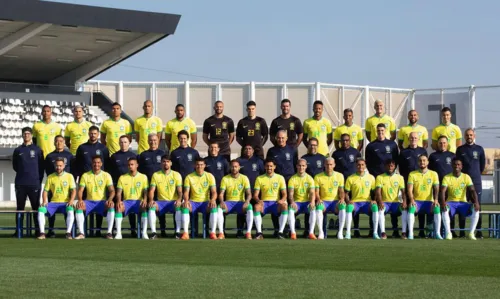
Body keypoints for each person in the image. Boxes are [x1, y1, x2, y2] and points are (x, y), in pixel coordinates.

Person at [12, 127, 44, 237]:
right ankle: (18, 230)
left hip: (34, 183)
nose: (26, 135)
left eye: (28, 134)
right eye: (24, 134)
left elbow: (41, 167)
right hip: (20, 183)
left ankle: (38, 230)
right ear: (22, 135)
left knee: (36, 208)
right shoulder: (18, 150)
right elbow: (15, 166)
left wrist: (37, 179)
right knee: (19, 208)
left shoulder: (38, 150)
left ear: (31, 135)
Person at [74, 156, 115, 240]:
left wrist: (110, 199)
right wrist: (80, 200)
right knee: (79, 206)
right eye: (94, 162)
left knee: (111, 205)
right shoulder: (85, 175)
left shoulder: (106, 175)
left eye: (98, 162)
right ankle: (81, 233)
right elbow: (80, 190)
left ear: (101, 164)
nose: (96, 164)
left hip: (101, 202)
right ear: (91, 163)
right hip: (89, 202)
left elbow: (112, 191)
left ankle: (109, 233)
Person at [440, 158, 481, 241]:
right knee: (444, 209)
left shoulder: (466, 177)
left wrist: (476, 202)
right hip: (451, 203)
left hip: (463, 203)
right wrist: (443, 202)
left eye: (458, 164)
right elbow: (443, 191)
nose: (456, 166)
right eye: (455, 164)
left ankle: (471, 233)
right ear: (452, 165)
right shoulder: (447, 177)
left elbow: (472, 190)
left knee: (476, 209)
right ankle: (449, 233)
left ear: (462, 166)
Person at [456, 128, 485, 238]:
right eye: (467, 135)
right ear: (464, 136)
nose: (469, 137)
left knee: (477, 206)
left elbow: (482, 166)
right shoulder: (460, 149)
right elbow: (457, 165)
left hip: (476, 182)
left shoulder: (479, 149)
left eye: (471, 135)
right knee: (462, 205)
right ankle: (462, 231)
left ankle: (479, 231)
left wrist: (475, 175)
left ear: (474, 136)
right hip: (462, 182)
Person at [38, 158, 76, 239]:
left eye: (60, 166)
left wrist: (71, 201)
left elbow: (73, 191)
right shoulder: (50, 177)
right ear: (54, 166)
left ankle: (68, 233)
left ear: (64, 166)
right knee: (41, 209)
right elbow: (45, 191)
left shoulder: (69, 176)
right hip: (53, 203)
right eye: (57, 165)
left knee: (71, 209)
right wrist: (44, 201)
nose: (58, 167)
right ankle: (42, 233)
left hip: (65, 203)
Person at [44, 135, 74, 237]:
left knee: (67, 208)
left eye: (61, 141)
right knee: (50, 210)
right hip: (53, 184)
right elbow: (47, 170)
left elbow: (72, 169)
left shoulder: (69, 155)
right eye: (57, 141)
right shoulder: (49, 156)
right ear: (54, 142)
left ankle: (68, 231)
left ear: (64, 142)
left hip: (66, 185)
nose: (59, 143)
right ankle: (51, 230)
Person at [148, 155, 183, 239]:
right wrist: (151, 200)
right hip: (160, 202)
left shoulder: (176, 174)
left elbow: (180, 191)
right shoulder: (156, 175)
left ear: (171, 163)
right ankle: (153, 233)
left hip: (173, 201)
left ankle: (177, 232)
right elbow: (152, 190)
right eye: (164, 161)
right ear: (161, 163)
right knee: (151, 206)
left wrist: (179, 199)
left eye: (167, 161)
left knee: (178, 206)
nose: (165, 163)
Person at [182, 158, 218, 240]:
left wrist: (213, 200)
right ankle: (186, 233)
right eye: (198, 164)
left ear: (205, 166)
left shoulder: (209, 176)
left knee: (214, 207)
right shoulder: (189, 177)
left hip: (205, 203)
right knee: (185, 207)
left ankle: (213, 233)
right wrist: (186, 201)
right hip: (193, 202)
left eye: (201, 164)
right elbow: (186, 192)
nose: (199, 166)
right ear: (194, 165)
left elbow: (214, 192)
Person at [406, 155, 440, 240]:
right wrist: (412, 200)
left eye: (424, 160)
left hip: (429, 202)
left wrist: (435, 200)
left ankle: (437, 233)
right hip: (417, 202)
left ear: (427, 162)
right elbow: (409, 189)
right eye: (420, 160)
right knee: (411, 208)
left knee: (437, 208)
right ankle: (410, 233)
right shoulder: (412, 174)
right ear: (418, 162)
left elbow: (436, 188)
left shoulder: (433, 174)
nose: (422, 162)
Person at [109, 136, 137, 236]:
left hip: (130, 185)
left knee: (132, 207)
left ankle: (133, 229)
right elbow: (110, 172)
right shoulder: (114, 156)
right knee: (117, 206)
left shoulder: (133, 155)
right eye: (121, 142)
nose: (123, 144)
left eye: (125, 142)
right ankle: (113, 229)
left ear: (129, 143)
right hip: (118, 185)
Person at [253, 158, 287, 239]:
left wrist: (282, 200)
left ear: (274, 167)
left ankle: (280, 232)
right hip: (264, 203)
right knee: (256, 207)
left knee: (285, 206)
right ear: (264, 167)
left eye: (271, 166)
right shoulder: (259, 178)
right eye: (267, 166)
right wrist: (258, 200)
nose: (269, 168)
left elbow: (285, 194)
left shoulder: (280, 178)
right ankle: (259, 233)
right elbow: (255, 195)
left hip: (275, 203)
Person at [115, 157, 149, 239]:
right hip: (127, 202)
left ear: (137, 165)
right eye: (129, 165)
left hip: (138, 202)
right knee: (119, 208)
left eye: (132, 164)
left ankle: (144, 233)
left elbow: (145, 191)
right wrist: (119, 201)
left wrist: (145, 199)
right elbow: (119, 192)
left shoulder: (143, 177)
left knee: (144, 207)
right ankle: (118, 233)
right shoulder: (122, 177)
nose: (130, 166)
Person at [219, 160, 253, 239]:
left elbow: (249, 194)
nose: (234, 168)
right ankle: (221, 233)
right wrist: (222, 202)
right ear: (230, 167)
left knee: (250, 208)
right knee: (219, 208)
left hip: (240, 203)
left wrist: (247, 201)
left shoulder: (244, 178)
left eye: (236, 167)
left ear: (239, 168)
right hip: (229, 203)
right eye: (232, 166)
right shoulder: (225, 178)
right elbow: (221, 193)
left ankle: (248, 233)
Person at [344, 159, 376, 239]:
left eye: (362, 165)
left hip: (367, 202)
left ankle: (373, 231)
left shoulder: (371, 177)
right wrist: (348, 201)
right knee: (350, 207)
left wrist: (374, 200)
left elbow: (375, 192)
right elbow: (346, 193)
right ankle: (352, 231)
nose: (360, 166)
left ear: (365, 166)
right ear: (356, 166)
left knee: (374, 207)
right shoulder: (350, 178)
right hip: (355, 202)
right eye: (358, 165)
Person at [313, 158, 345, 239]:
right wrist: (319, 199)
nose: (329, 166)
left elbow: (341, 190)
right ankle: (321, 232)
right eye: (327, 164)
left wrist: (342, 199)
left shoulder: (339, 176)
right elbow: (316, 191)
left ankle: (340, 232)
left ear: (334, 165)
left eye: (331, 164)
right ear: (324, 165)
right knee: (319, 207)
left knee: (343, 206)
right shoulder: (318, 176)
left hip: (335, 202)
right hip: (324, 202)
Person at [374, 159, 406, 239]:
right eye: (388, 165)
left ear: (394, 166)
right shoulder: (380, 177)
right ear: (385, 166)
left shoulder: (400, 177)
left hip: (396, 203)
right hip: (385, 203)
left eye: (392, 165)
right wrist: (380, 202)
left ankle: (404, 232)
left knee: (404, 210)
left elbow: (403, 192)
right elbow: (378, 192)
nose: (390, 167)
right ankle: (383, 233)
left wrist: (404, 201)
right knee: (380, 210)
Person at [287, 159, 315, 240]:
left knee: (313, 209)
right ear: (296, 166)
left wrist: (312, 202)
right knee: (291, 209)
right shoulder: (292, 179)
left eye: (303, 166)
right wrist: (292, 202)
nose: (301, 167)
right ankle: (293, 233)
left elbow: (312, 193)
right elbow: (290, 193)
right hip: (297, 203)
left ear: (306, 166)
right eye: (299, 165)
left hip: (306, 203)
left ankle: (311, 233)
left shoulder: (309, 178)